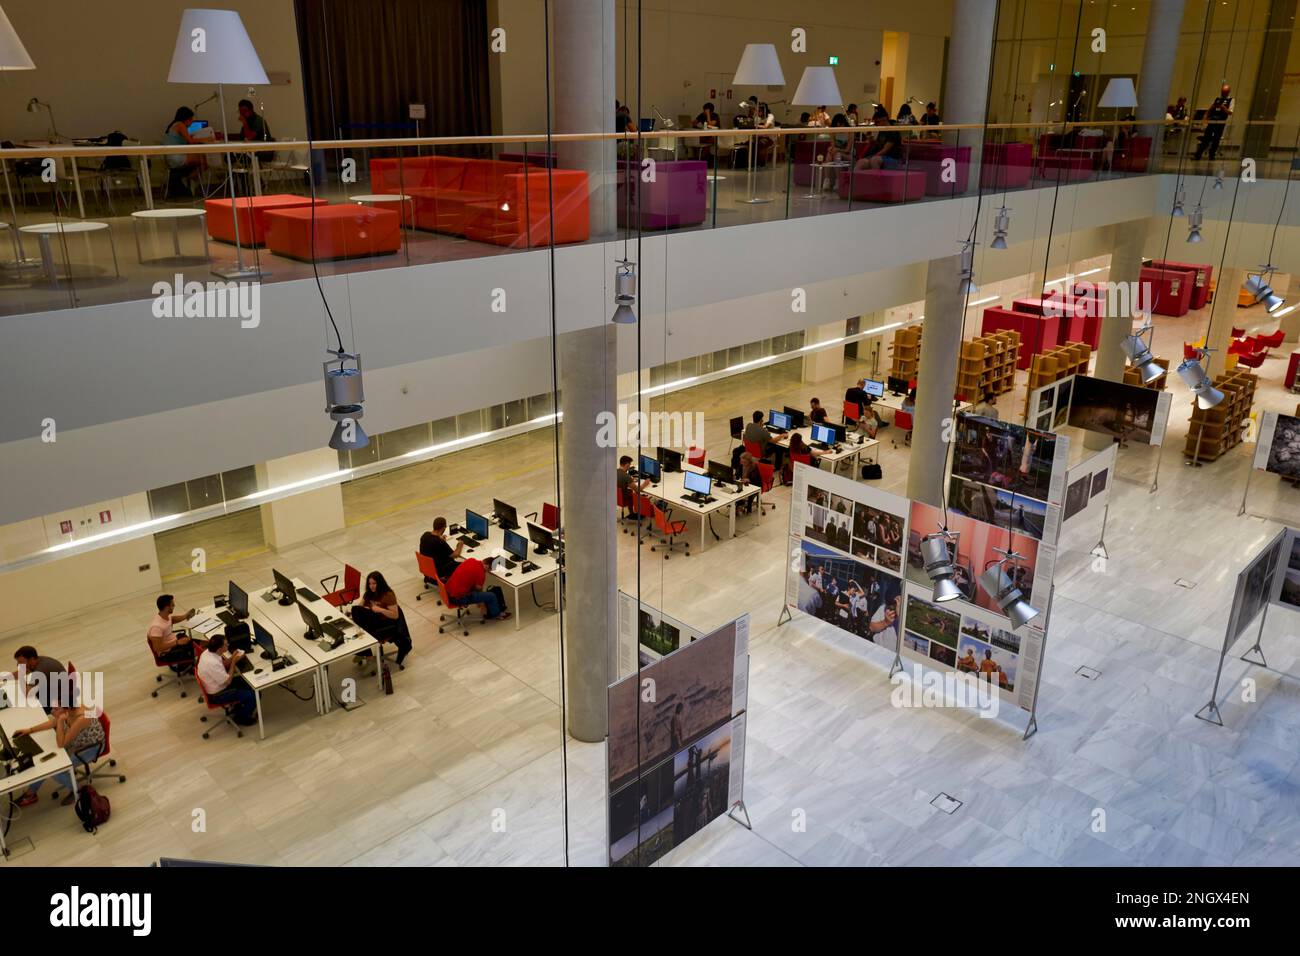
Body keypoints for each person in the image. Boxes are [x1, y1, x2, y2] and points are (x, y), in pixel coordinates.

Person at [11, 701, 105, 807]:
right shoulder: (70, 708)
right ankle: (31, 793)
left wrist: (60, 722)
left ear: (67, 709)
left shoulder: (81, 718)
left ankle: (79, 791)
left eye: (56, 709)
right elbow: (53, 723)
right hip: (77, 742)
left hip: (91, 747)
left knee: (55, 770)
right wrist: (30, 730)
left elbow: (61, 743)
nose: (51, 711)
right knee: (44, 761)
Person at [350, 571, 412, 668]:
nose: (371, 586)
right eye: (369, 584)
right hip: (375, 621)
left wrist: (380, 610)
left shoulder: (388, 595)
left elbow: (395, 615)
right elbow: (360, 607)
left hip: (387, 623)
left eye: (374, 583)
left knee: (360, 635)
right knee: (355, 618)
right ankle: (365, 653)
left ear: (380, 583)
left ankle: (367, 654)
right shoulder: (369, 593)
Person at [195, 632, 257, 725]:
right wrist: (234, 662)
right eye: (226, 644)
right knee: (253, 694)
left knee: (250, 683)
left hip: (217, 684)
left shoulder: (208, 653)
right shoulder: (212, 663)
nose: (228, 645)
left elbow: (222, 665)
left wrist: (232, 657)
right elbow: (228, 681)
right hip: (218, 694)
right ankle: (242, 717)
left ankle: (240, 707)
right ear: (220, 649)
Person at [161, 106, 207, 200]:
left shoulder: (173, 125)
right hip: (176, 158)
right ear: (185, 118)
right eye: (190, 119)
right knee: (204, 162)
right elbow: (190, 141)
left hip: (170, 158)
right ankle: (189, 179)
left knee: (200, 159)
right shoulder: (180, 125)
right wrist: (206, 139)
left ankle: (190, 180)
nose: (191, 122)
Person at [446, 556, 511, 622]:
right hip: (458, 598)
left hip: (448, 591)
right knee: (492, 596)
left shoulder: (471, 560)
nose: (489, 571)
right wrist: (482, 604)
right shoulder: (481, 573)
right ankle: (497, 615)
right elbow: (478, 589)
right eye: (490, 569)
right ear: (488, 566)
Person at [8, 646, 69, 713]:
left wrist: (21, 676)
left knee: (24, 707)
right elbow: (23, 671)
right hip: (52, 691)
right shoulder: (37, 660)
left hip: (59, 700)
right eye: (18, 662)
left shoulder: (41, 670)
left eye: (21, 662)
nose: (18, 665)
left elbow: (27, 694)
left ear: (31, 659)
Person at [147, 594, 199, 667]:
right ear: (166, 607)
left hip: (174, 641)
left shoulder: (164, 616)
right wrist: (177, 642)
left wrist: (185, 616)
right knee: (199, 648)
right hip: (167, 652)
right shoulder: (156, 627)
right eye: (172, 605)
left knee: (200, 643)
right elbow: (157, 648)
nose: (174, 606)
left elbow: (172, 619)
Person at [854, 105, 902, 170]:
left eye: (877, 122)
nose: (876, 125)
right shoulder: (882, 130)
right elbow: (880, 144)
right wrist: (872, 141)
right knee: (860, 162)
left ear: (884, 119)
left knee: (874, 160)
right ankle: (855, 179)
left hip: (892, 157)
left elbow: (885, 149)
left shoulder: (893, 131)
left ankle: (876, 179)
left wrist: (873, 156)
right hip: (880, 156)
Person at [1194, 84, 1233, 161]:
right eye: (1222, 92)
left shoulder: (1231, 100)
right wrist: (1205, 116)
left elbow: (1230, 112)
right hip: (1212, 121)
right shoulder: (1217, 99)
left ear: (1228, 92)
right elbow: (1211, 108)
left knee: (1216, 139)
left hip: (1221, 123)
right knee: (1206, 138)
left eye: (1225, 92)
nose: (1223, 94)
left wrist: (1223, 107)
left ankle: (1211, 155)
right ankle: (1198, 155)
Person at [420, 516, 462, 582]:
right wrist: (460, 545)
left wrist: (439, 537)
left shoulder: (425, 535)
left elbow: (433, 540)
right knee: (466, 565)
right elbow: (455, 555)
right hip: (442, 569)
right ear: (443, 528)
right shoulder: (440, 542)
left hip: (428, 567)